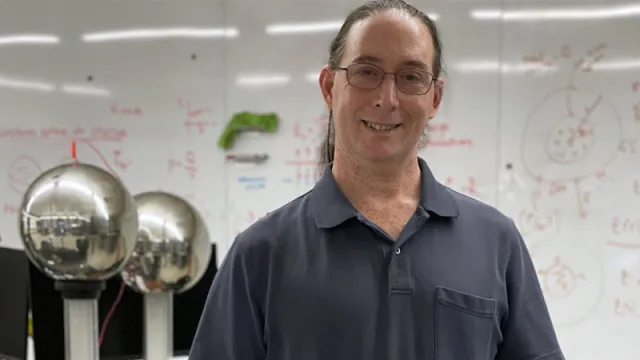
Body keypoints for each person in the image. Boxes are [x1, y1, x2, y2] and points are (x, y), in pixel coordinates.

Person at [189, 0, 565, 359]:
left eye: (411, 77)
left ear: (435, 99)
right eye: (366, 71)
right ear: (328, 87)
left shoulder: (496, 243)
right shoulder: (259, 255)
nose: (387, 98)